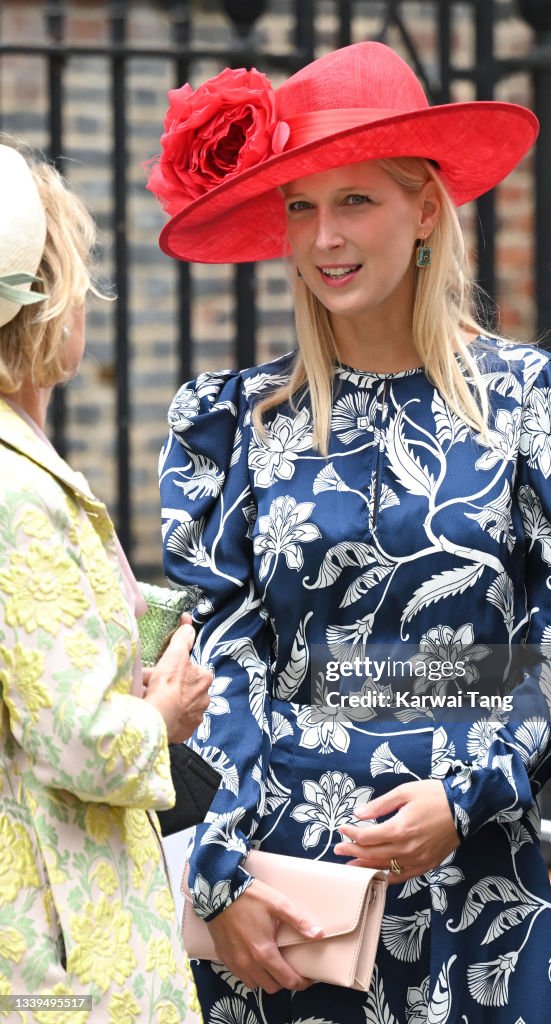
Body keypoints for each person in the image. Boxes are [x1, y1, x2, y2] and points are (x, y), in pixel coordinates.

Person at [149, 41, 551, 1023]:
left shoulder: (542, 410)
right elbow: (221, 657)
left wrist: (464, 795)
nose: (325, 235)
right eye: (301, 205)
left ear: (425, 209)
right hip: (281, 906)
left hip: (476, 899)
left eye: (355, 201)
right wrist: (219, 873)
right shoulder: (232, 427)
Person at [0, 134, 212, 1020]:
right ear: (44, 296)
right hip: (55, 938)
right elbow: (75, 736)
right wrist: (163, 714)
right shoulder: (19, 490)